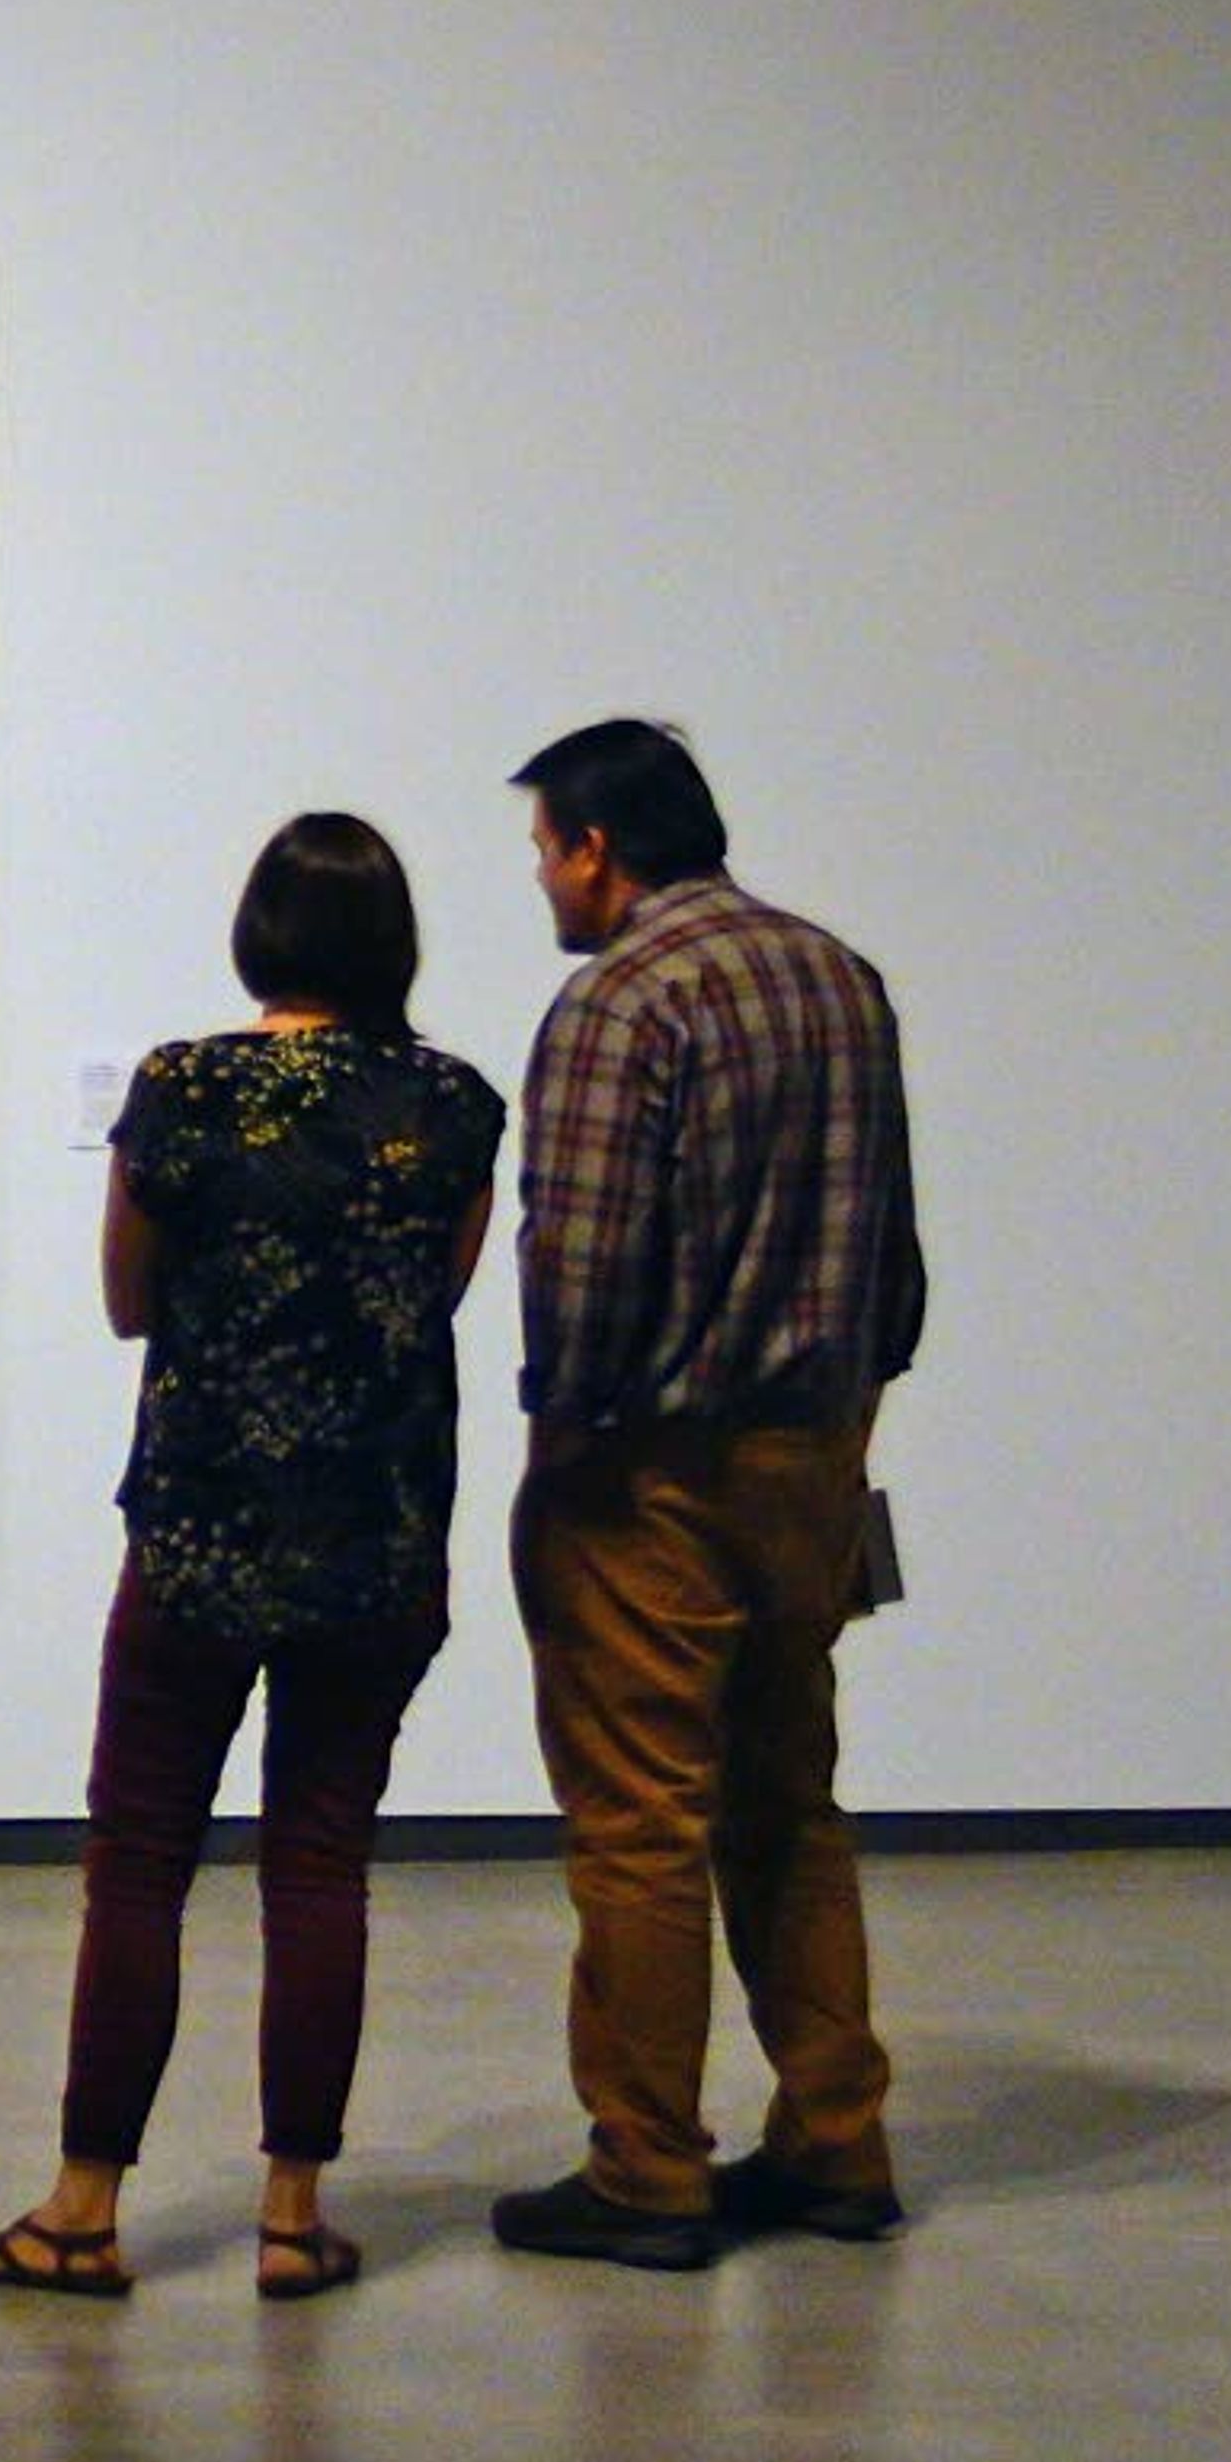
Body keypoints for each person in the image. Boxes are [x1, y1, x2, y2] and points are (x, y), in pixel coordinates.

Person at [0, 813, 502, 2301]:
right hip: (380, 1539)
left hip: (199, 1528)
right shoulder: (455, 1106)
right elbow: (435, 1301)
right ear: (394, 945)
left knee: (139, 1862)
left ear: (257, 936)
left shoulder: (182, 1089)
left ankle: (82, 2207)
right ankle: (288, 2212)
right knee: (319, 1866)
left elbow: (130, 1303)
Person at [487, 718, 926, 2271]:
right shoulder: (838, 976)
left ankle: (647, 2165)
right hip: (815, 1453)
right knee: (789, 1804)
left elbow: (584, 1265)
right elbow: (896, 1255)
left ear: (599, 846)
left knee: (641, 1819)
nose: (541, 876)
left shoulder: (621, 997)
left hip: (653, 1470)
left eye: (546, 845)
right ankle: (833, 2136)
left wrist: (565, 1439)